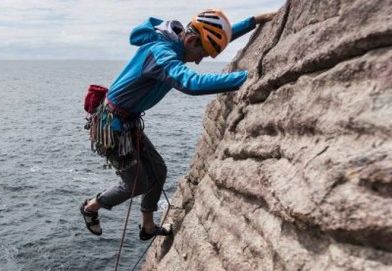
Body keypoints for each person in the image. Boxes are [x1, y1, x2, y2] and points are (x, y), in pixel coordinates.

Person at [80, 9, 277, 239]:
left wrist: (252, 22)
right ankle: (91, 206)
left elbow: (209, 42)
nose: (200, 60)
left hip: (126, 123)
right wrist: (246, 78)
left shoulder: (177, 45)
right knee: (137, 183)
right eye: (201, 53)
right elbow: (190, 83)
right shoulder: (161, 54)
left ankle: (148, 227)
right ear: (191, 40)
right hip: (111, 128)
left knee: (158, 171)